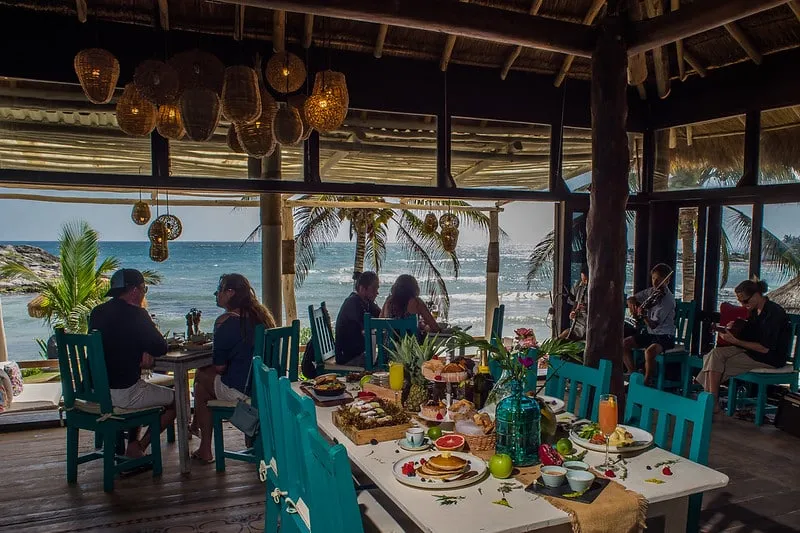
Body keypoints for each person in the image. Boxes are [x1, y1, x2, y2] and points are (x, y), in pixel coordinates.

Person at [88, 268, 175, 459]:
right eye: (144, 288)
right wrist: (147, 349)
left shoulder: (97, 312)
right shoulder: (137, 315)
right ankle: (138, 447)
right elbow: (161, 347)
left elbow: (117, 341)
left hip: (95, 392)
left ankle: (130, 444)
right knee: (178, 400)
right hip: (122, 395)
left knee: (140, 387)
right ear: (135, 290)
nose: (144, 293)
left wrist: (141, 349)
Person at [189, 274, 275, 463]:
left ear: (230, 293)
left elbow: (219, 367)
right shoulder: (260, 317)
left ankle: (204, 446)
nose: (215, 293)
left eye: (219, 289)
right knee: (202, 380)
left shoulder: (226, 322)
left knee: (201, 378)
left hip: (243, 393)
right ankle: (197, 429)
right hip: (265, 388)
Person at [697, 279, 791, 414]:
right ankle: (712, 403)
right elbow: (751, 334)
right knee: (714, 354)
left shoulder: (773, 313)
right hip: (751, 351)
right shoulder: (754, 311)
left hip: (768, 357)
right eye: (740, 302)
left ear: (757, 295)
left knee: (717, 364)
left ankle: (711, 402)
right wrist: (733, 330)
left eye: (745, 301)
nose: (743, 305)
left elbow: (765, 348)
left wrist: (735, 341)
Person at [623, 263, 676, 385]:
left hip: (665, 336)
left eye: (659, 279)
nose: (655, 282)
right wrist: (631, 302)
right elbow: (634, 298)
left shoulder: (668, 299)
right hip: (650, 334)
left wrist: (644, 315)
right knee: (624, 344)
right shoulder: (651, 292)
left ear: (667, 280)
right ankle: (634, 375)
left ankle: (647, 382)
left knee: (649, 352)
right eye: (653, 278)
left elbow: (653, 325)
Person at [335, 271, 381, 366]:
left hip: (359, 353)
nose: (377, 292)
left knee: (383, 359)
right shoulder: (353, 303)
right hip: (348, 358)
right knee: (382, 364)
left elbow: (381, 317)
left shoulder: (366, 303)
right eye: (374, 289)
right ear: (362, 288)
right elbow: (366, 331)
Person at [559, 265, 588, 341]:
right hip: (578, 327)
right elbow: (575, 304)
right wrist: (573, 312)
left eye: (586, 281)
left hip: (592, 328)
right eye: (583, 280)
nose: (585, 283)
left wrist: (587, 308)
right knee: (561, 338)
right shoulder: (578, 286)